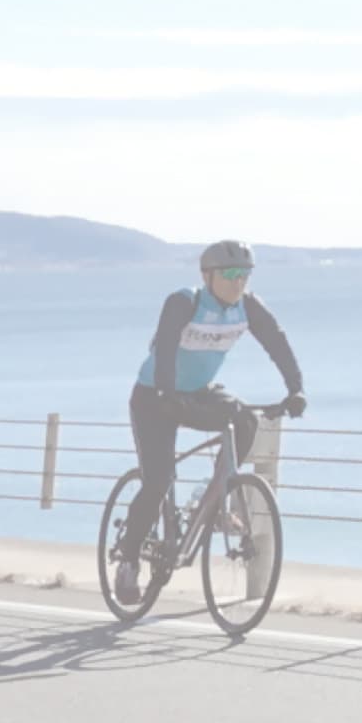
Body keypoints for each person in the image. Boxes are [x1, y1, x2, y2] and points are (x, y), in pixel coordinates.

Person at [123, 240, 305, 591]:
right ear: (208, 276)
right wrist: (166, 393)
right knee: (158, 482)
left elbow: (277, 342)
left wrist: (295, 389)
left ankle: (216, 498)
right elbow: (163, 349)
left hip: (198, 391)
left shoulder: (248, 307)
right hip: (153, 398)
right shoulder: (184, 302)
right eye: (231, 274)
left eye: (245, 275)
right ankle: (128, 560)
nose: (239, 282)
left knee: (245, 420)